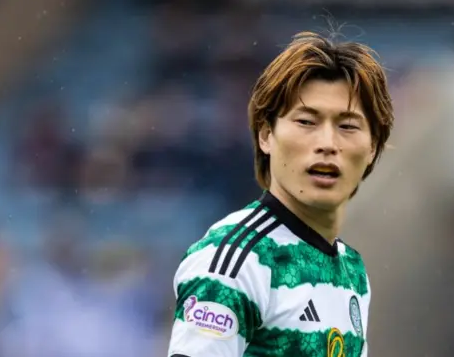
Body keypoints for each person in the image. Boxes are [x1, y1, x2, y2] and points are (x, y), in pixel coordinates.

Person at [167, 31, 394, 357]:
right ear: (266, 135)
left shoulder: (352, 270)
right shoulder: (236, 263)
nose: (328, 143)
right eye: (306, 121)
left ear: (373, 147)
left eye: (347, 126)